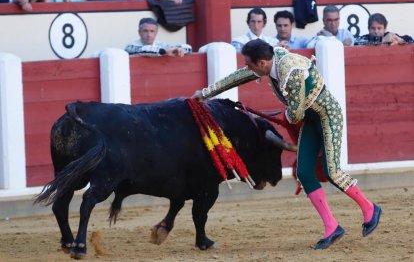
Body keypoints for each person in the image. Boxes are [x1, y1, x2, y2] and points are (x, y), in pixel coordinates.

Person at [191, 39, 382, 250]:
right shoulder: (269, 64)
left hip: (328, 116)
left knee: (332, 171)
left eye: (249, 64)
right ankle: (332, 226)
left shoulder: (290, 70)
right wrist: (207, 92)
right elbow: (242, 75)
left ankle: (370, 208)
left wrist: (283, 116)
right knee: (305, 173)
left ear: (262, 63)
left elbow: (296, 111)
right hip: (311, 120)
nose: (247, 68)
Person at [125, 17, 192, 56]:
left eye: (152, 31)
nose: (149, 35)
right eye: (145, 31)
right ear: (139, 32)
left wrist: (178, 49)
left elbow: (188, 48)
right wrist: (164, 51)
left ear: (156, 33)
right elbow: (145, 50)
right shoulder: (131, 47)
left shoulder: (160, 45)